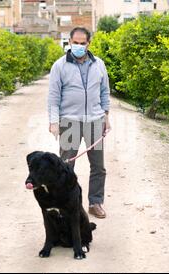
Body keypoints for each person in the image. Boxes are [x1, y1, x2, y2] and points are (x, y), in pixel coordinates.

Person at [47, 27, 111, 219]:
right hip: (70, 122)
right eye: (76, 43)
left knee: (98, 167)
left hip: (94, 121)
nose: (79, 46)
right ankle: (64, 205)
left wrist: (106, 116)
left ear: (89, 43)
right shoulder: (59, 66)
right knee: (65, 167)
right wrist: (53, 122)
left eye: (83, 43)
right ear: (69, 42)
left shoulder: (99, 64)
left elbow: (104, 92)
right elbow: (53, 97)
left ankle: (95, 202)